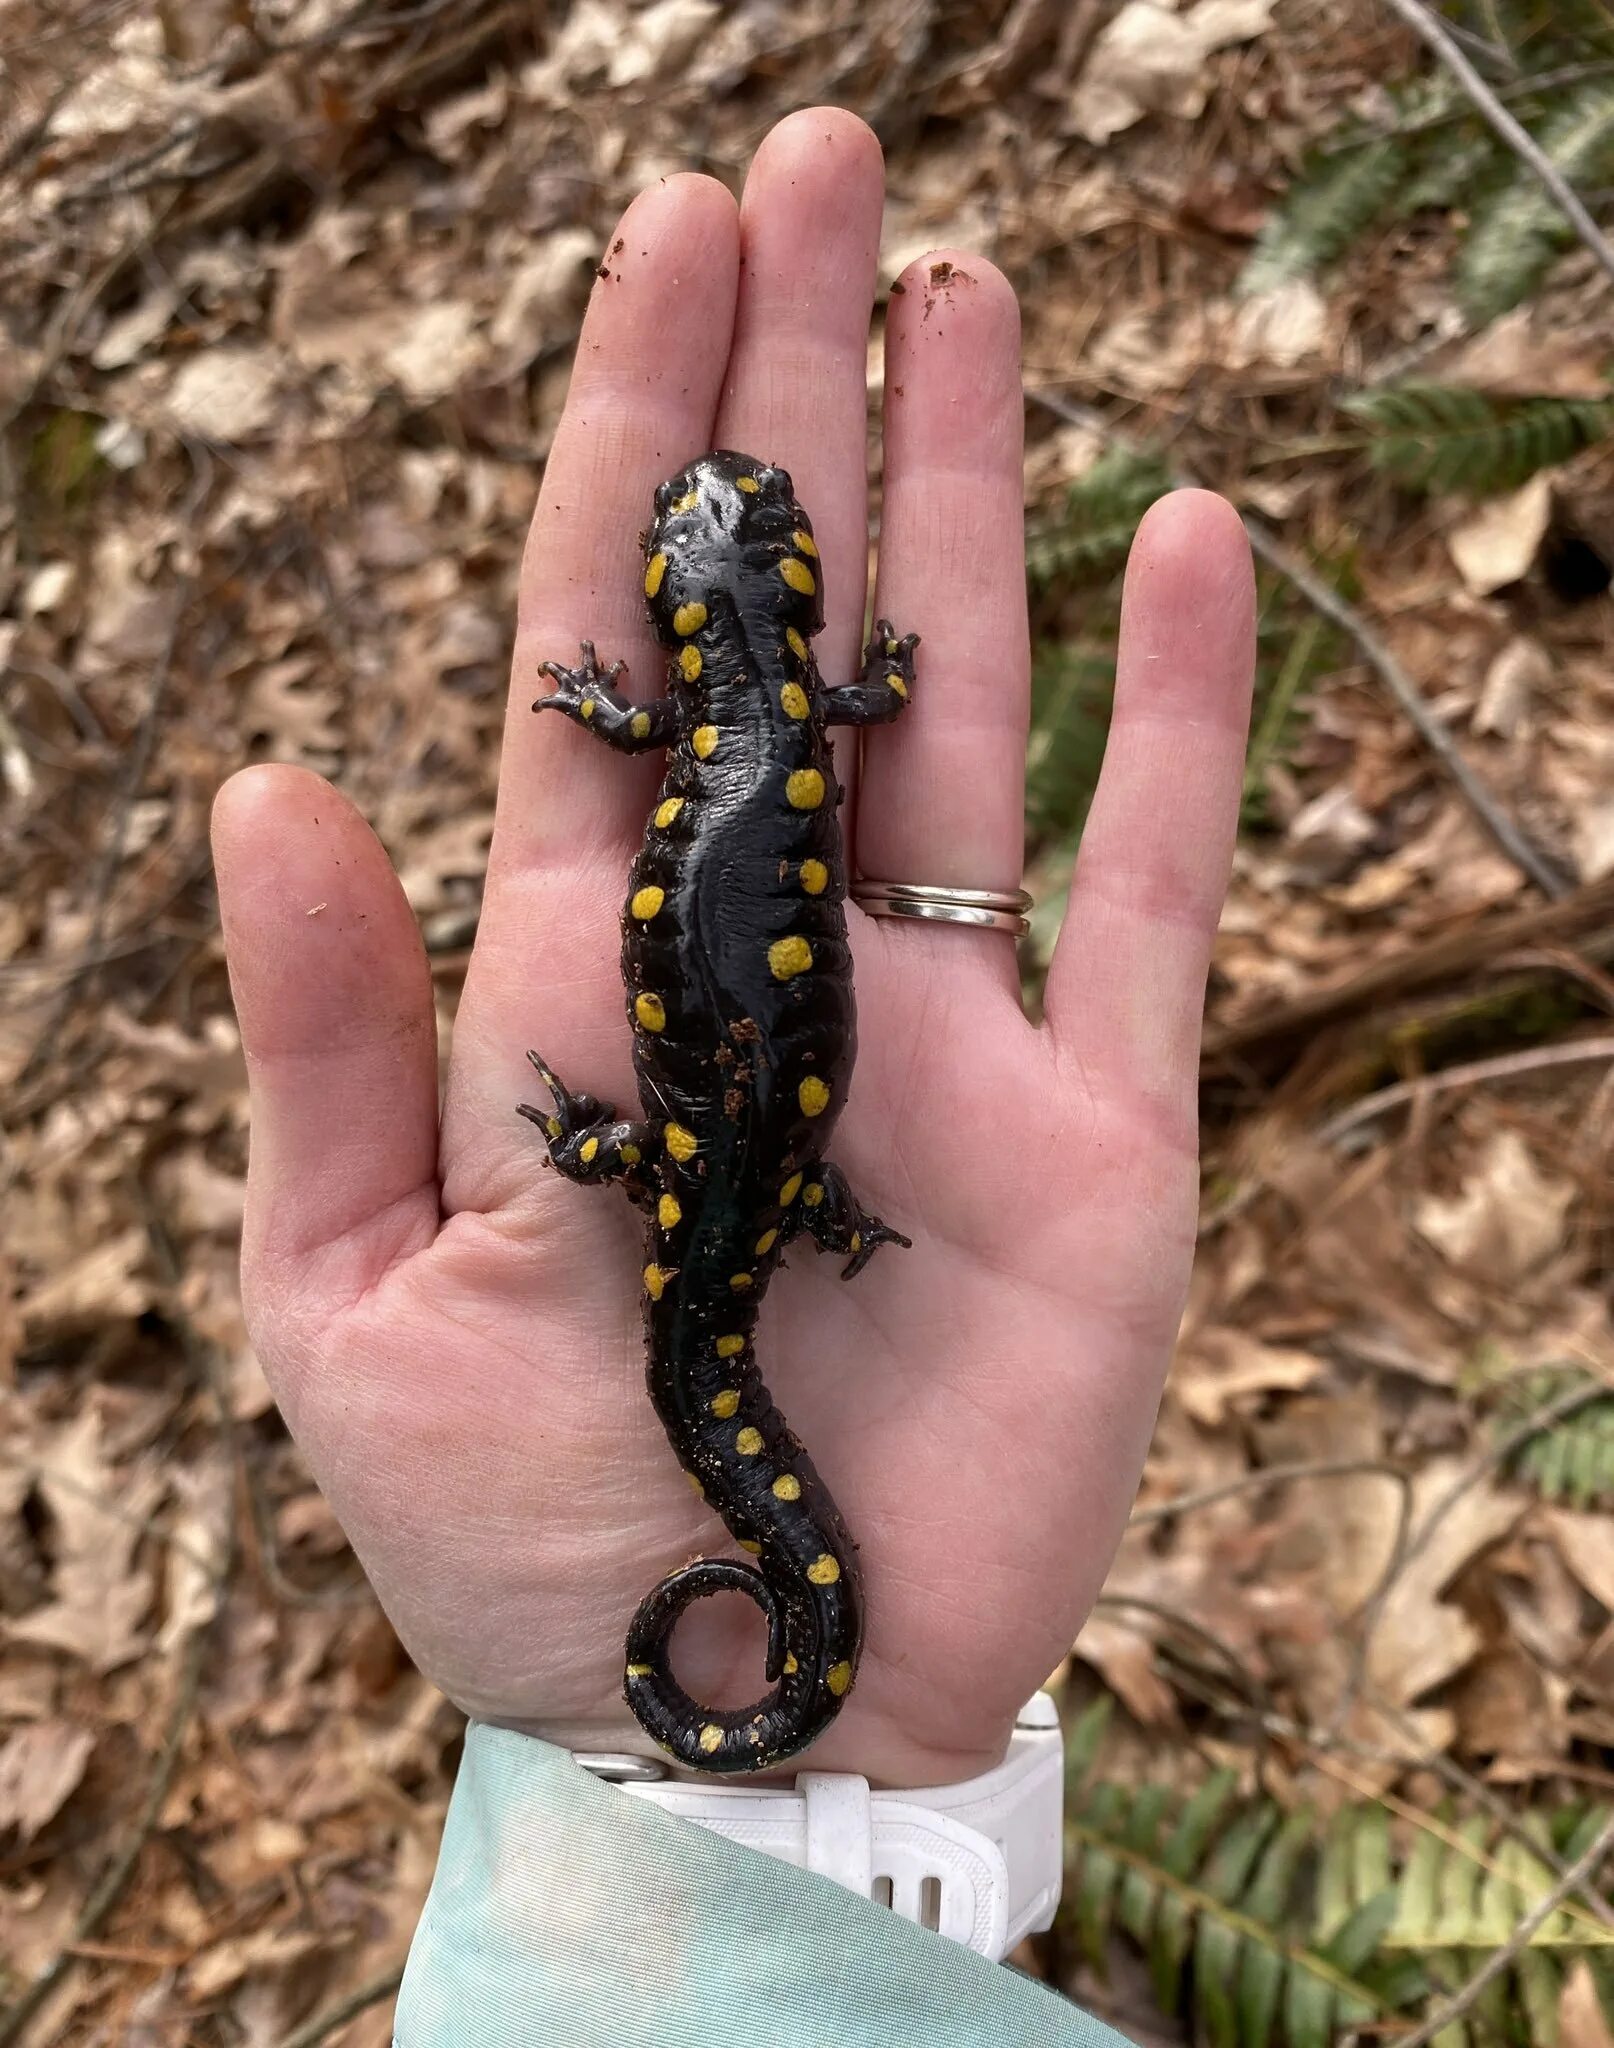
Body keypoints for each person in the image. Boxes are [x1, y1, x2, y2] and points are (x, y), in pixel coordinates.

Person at [211, 107, 1254, 2048]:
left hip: (728, 1159)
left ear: (694, 625)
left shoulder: (696, 695)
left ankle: (704, 1226)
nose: (745, 538)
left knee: (707, 1202)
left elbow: (708, 704)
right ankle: (712, 1223)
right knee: (713, 1210)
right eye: (743, 536)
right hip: (734, 1159)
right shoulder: (791, 692)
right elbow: (850, 695)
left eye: (748, 538)